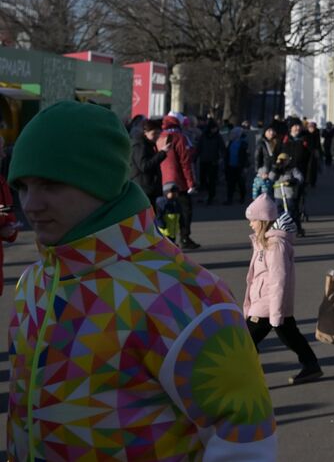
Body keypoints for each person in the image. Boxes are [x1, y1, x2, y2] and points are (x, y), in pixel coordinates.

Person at [6, 100, 278, 458]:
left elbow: (245, 434)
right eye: (22, 186)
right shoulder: (33, 283)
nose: (31, 203)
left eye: (51, 185)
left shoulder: (183, 294)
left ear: (101, 181)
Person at [243, 194, 322, 385]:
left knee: (245, 341)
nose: (250, 224)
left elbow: (278, 280)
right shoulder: (264, 243)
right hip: (267, 303)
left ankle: (248, 376)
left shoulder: (275, 245)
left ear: (263, 221)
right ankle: (311, 365)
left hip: (267, 304)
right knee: (290, 334)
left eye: (253, 220)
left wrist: (276, 312)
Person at [157, 112, 200, 250]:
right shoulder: (179, 137)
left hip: (162, 181)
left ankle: (165, 239)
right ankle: (184, 238)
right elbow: (185, 162)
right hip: (178, 182)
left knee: (164, 212)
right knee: (185, 211)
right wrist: (191, 183)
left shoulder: (159, 136)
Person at [280, 118, 314, 227]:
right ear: (290, 128)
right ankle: (287, 225)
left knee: (297, 201)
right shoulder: (284, 140)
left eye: (298, 126)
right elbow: (278, 158)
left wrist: (309, 177)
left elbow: (310, 161)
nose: (297, 128)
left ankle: (296, 225)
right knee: (287, 201)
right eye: (295, 126)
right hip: (285, 175)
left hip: (300, 175)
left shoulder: (305, 140)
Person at [130, 116, 166, 203]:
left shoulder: (148, 144)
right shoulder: (140, 145)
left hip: (149, 187)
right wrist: (162, 153)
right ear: (145, 132)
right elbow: (144, 166)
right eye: (154, 134)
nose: (157, 136)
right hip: (144, 188)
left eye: (158, 133)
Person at [197, 116, 226, 205]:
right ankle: (204, 195)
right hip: (204, 160)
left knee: (212, 180)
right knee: (203, 179)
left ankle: (211, 196)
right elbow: (199, 147)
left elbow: (222, 148)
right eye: (214, 128)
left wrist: (223, 157)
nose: (215, 130)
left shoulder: (218, 137)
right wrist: (195, 157)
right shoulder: (203, 136)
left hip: (213, 160)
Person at [225, 120, 250, 205]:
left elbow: (246, 156)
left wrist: (245, 166)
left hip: (240, 166)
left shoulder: (243, 143)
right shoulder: (231, 143)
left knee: (241, 183)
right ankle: (229, 199)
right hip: (231, 165)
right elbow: (227, 153)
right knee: (230, 183)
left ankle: (242, 198)